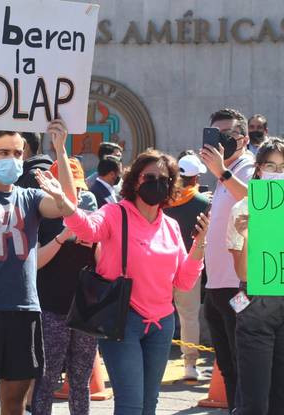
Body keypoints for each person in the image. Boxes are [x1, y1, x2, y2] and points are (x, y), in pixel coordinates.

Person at [0, 110, 80, 415]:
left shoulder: (30, 197)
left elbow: (69, 206)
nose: (13, 159)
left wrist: (60, 150)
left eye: (17, 152)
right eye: (4, 153)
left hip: (23, 311)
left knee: (15, 402)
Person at [64, 149, 208, 414]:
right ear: (135, 181)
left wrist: (199, 246)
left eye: (164, 179)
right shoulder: (115, 213)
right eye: (149, 177)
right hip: (122, 320)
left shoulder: (170, 226)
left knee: (149, 404)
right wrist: (67, 206)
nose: (157, 183)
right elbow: (86, 228)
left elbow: (184, 282)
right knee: (131, 404)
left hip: (162, 324)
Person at [228, 137, 284, 415]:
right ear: (259, 170)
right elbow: (242, 272)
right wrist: (249, 236)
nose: (277, 172)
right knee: (255, 403)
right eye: (270, 166)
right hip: (255, 305)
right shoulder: (242, 209)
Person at [197, 108, 254, 412]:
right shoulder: (222, 177)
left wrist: (221, 171)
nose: (220, 142)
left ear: (243, 139)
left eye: (227, 135)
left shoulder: (247, 167)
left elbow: (257, 201)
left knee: (243, 367)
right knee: (229, 368)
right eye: (215, 135)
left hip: (239, 287)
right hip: (217, 286)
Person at [31, 157, 98, 415]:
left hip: (85, 312)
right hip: (51, 309)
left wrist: (95, 242)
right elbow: (34, 262)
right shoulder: (41, 217)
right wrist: (62, 237)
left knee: (80, 381)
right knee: (46, 379)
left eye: (79, 188)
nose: (75, 193)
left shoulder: (91, 218)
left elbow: (105, 265)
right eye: (71, 187)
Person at [163, 152, 210, 380]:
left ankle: (155, 359)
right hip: (189, 265)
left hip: (161, 264)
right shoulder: (204, 203)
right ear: (196, 178)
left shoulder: (162, 200)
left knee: (158, 315)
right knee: (189, 316)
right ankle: (190, 365)